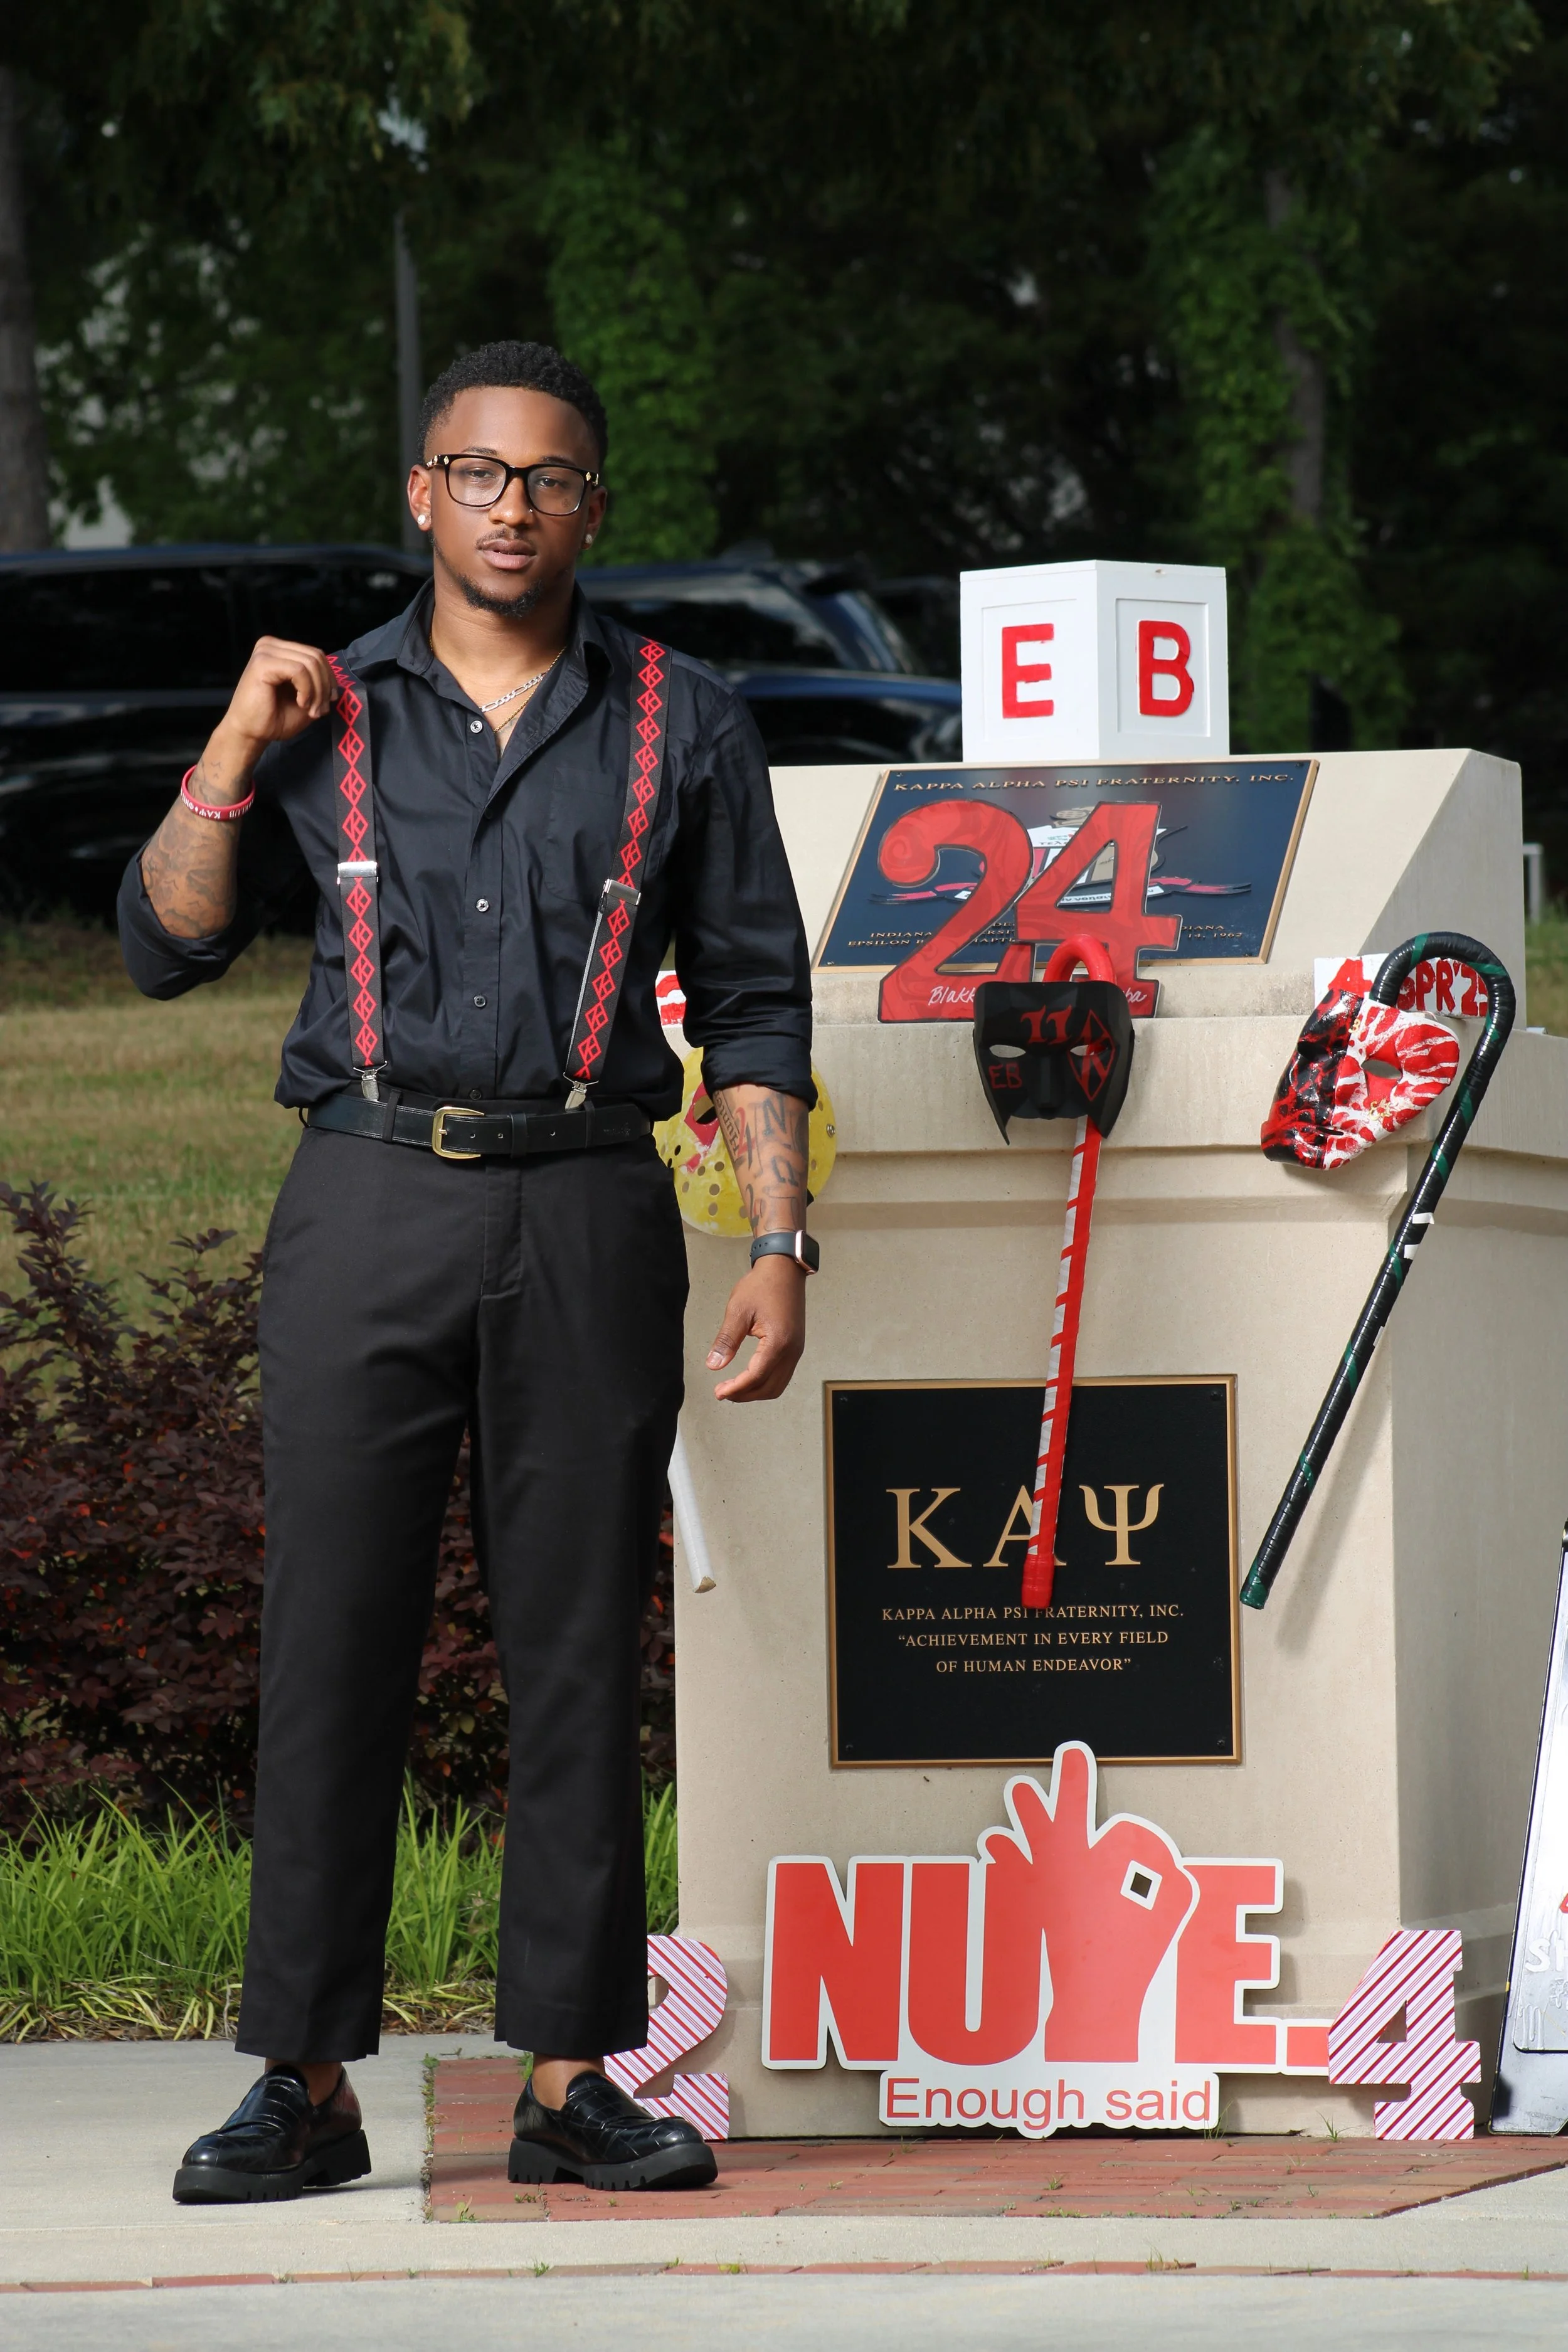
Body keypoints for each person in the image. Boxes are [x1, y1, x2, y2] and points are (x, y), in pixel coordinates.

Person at [119, 339, 817, 2201]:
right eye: (478, 473)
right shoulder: (320, 705)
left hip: (589, 1203)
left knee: (579, 1643)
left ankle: (571, 2076)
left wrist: (776, 1236)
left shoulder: (687, 719)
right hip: (362, 1198)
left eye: (551, 476)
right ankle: (304, 2077)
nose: (515, 505)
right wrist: (224, 756)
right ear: (421, 494)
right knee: (329, 1637)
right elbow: (161, 950)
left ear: (596, 502)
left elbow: (754, 1003)